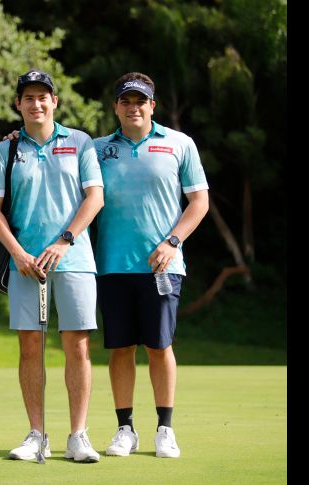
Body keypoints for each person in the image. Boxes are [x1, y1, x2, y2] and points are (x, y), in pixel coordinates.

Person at [0, 69, 103, 463]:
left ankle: (78, 435)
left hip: (74, 259)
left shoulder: (80, 142)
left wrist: (65, 240)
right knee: (30, 347)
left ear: (55, 102)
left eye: (43, 96)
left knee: (78, 345)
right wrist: (17, 252)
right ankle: (37, 434)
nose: (37, 103)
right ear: (18, 104)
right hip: (26, 265)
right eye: (29, 97)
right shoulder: (7, 151)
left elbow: (94, 198)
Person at [93, 72, 209, 459]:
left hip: (163, 265)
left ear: (152, 106)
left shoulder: (179, 143)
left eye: (140, 101)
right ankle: (125, 428)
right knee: (121, 347)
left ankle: (165, 428)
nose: (133, 107)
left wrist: (173, 241)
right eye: (125, 101)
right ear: (116, 107)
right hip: (111, 264)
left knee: (160, 346)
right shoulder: (96, 149)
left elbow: (199, 202)